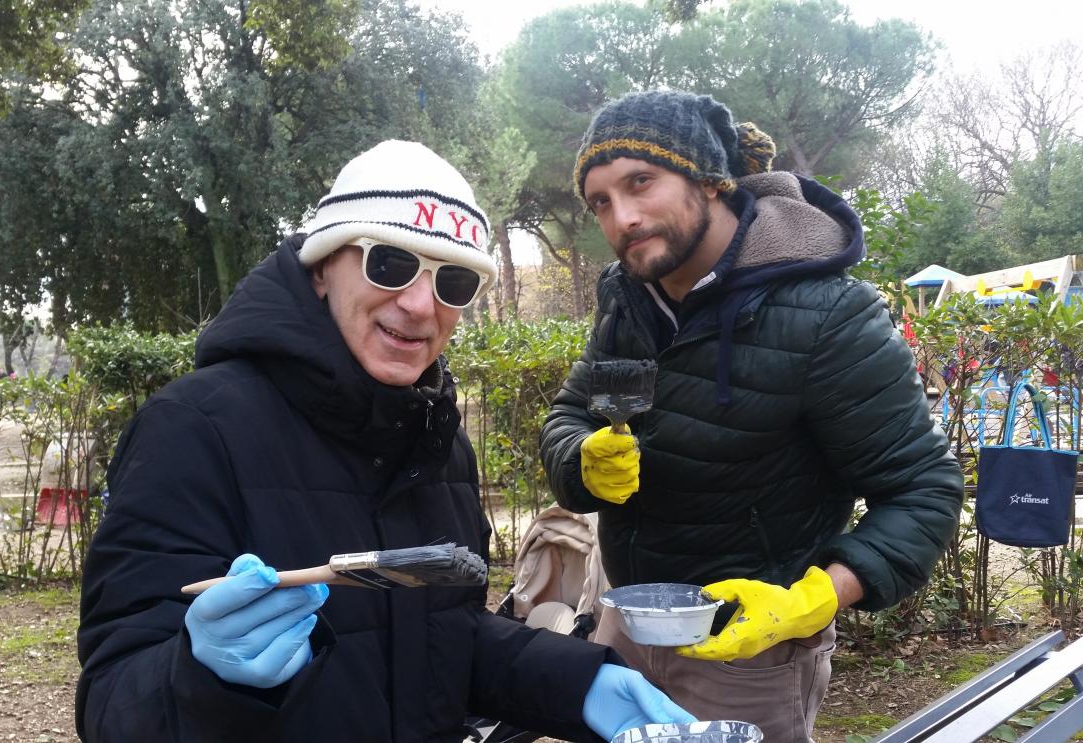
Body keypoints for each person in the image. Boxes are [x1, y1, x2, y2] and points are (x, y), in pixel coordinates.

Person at [75, 140, 696, 742]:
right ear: (323, 267)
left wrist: (580, 685)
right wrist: (206, 677)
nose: (421, 304)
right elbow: (112, 705)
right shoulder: (191, 429)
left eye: (454, 282)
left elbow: (442, 641)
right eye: (390, 263)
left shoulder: (439, 442)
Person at [539, 91, 965, 742]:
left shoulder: (826, 313)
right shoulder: (627, 299)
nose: (621, 216)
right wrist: (581, 459)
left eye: (640, 182)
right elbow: (572, 411)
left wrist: (817, 595)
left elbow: (924, 489)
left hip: (750, 653)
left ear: (709, 180)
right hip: (626, 623)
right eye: (600, 200)